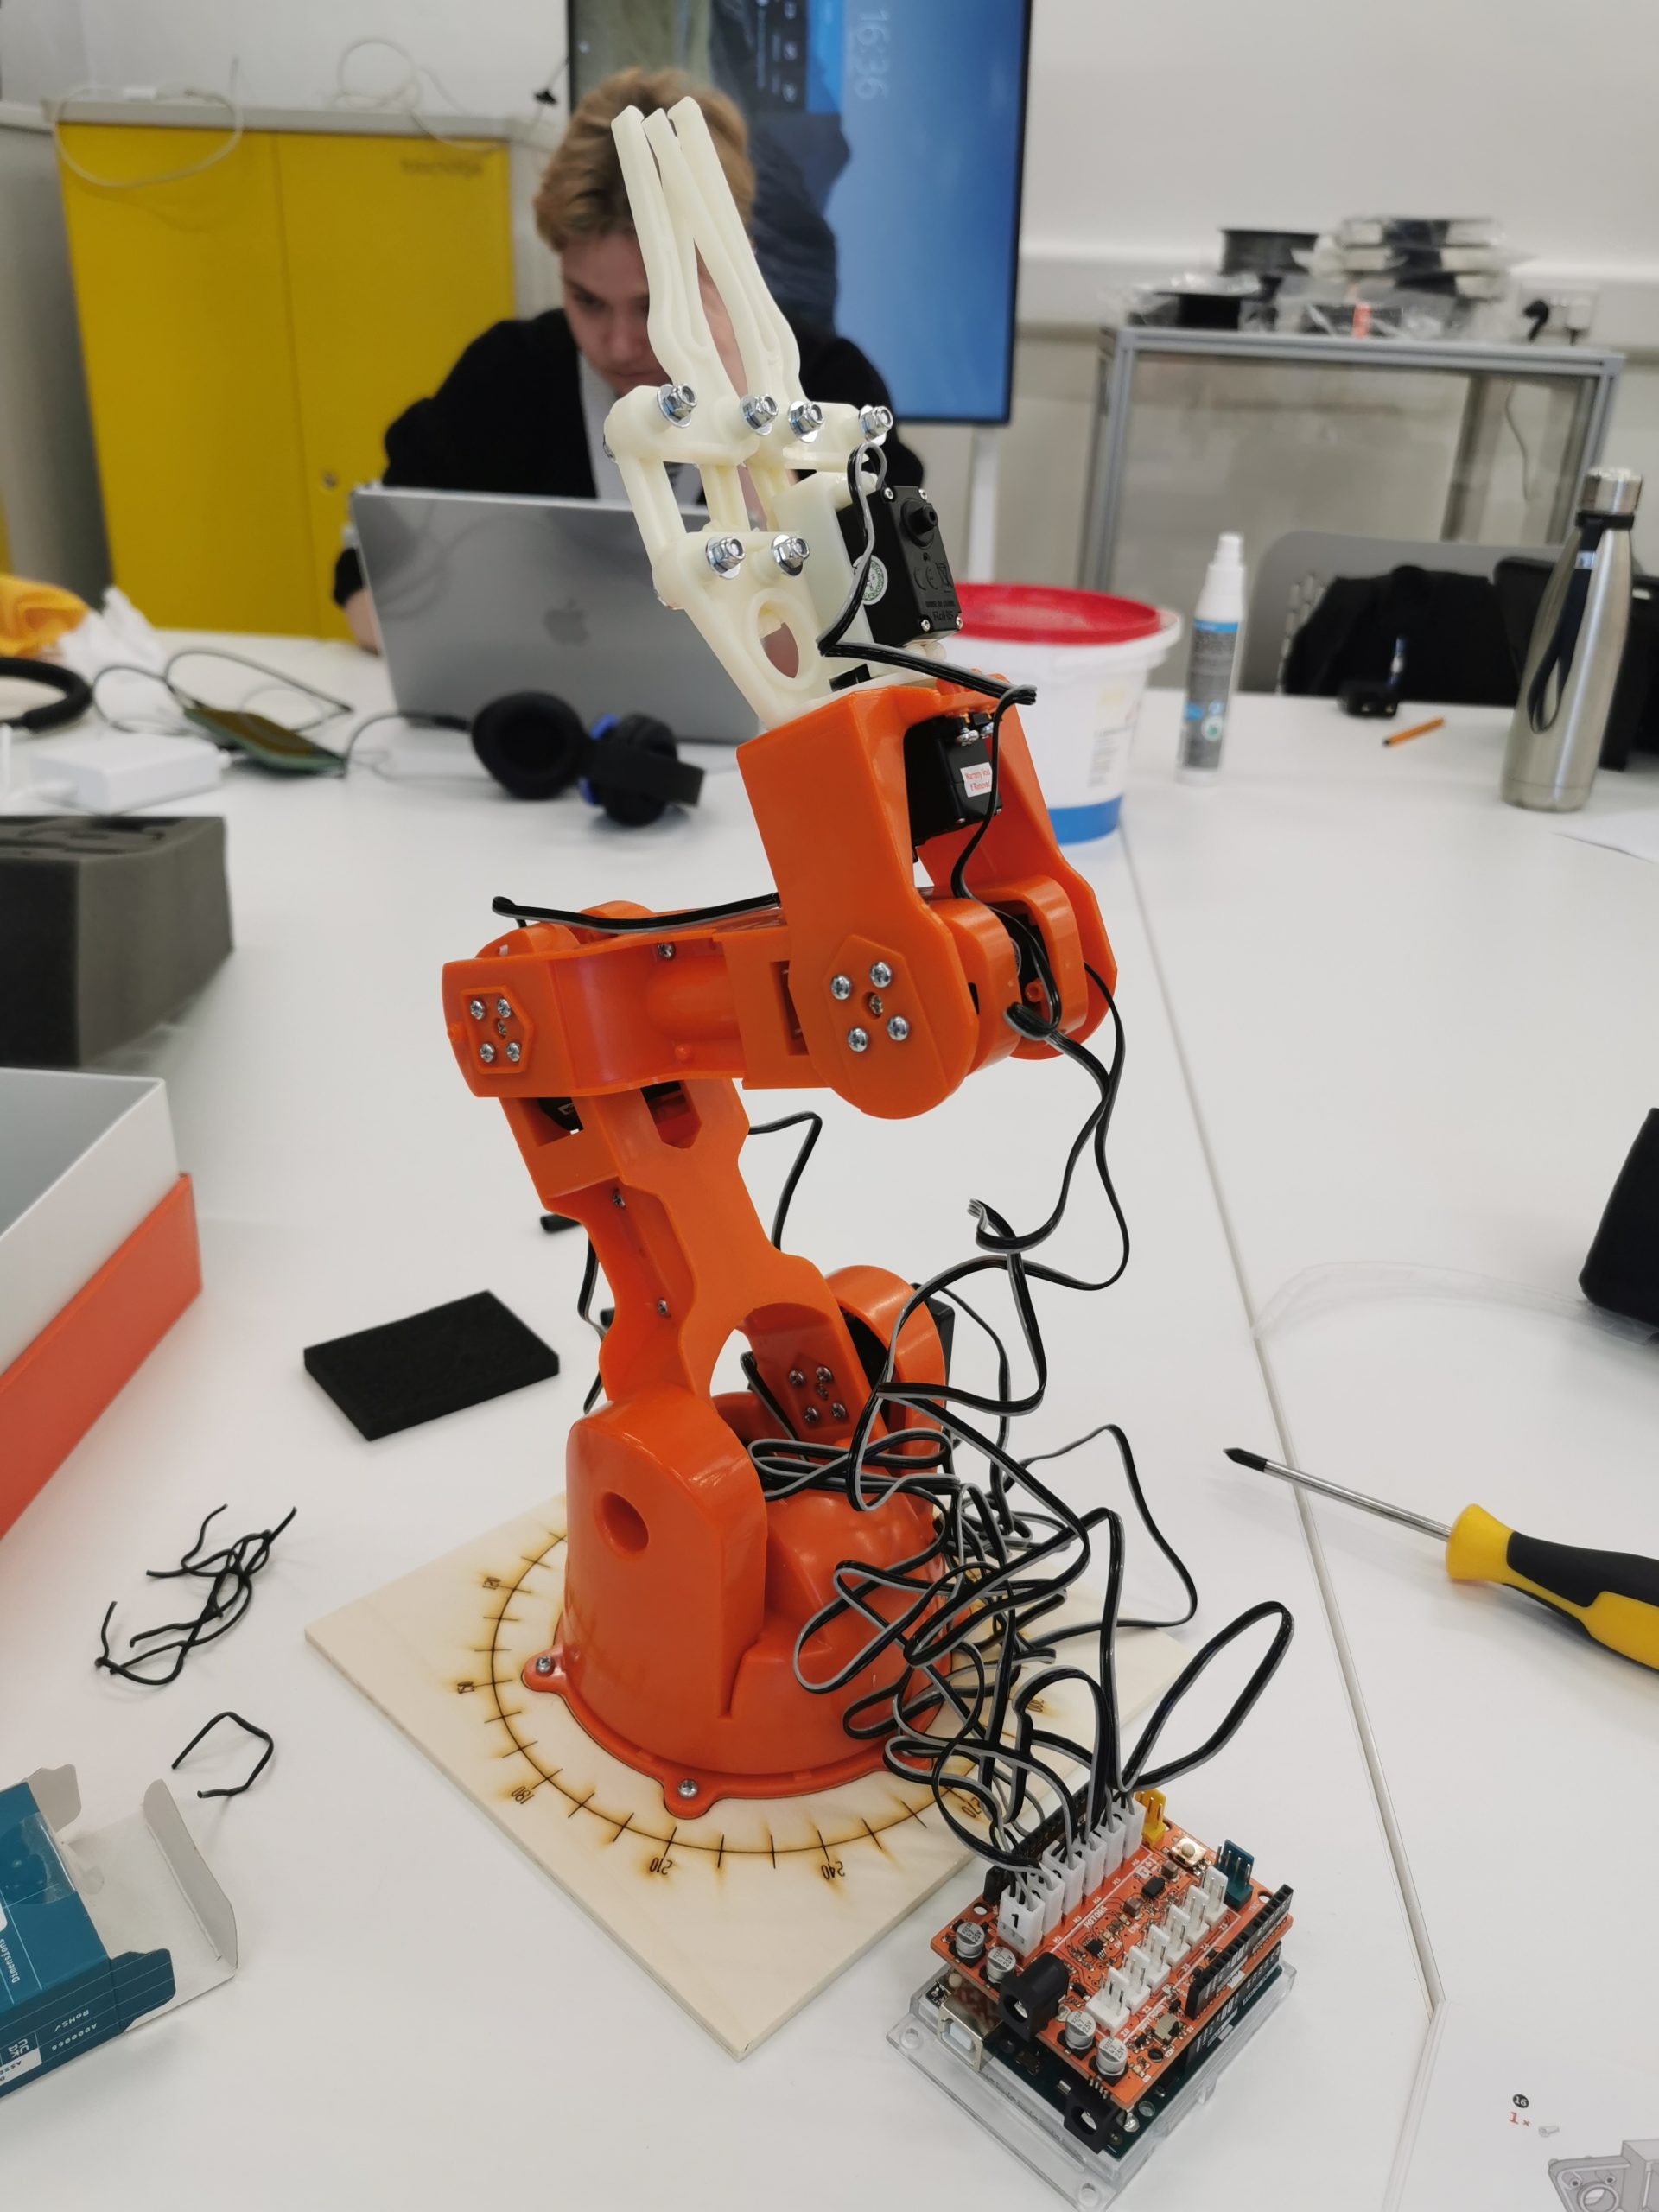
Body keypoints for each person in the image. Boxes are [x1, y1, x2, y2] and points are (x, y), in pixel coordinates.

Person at [334, 67, 923, 650]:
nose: (618, 346)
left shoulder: (833, 385)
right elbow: (368, 579)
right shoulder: (508, 374)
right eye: (587, 301)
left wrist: (746, 412)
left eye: (653, 306)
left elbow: (880, 628)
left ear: (732, 270)